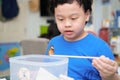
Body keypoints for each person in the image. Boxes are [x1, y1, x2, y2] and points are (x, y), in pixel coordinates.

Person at [45, 0, 120, 80]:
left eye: (73, 18)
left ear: (87, 15)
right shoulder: (53, 43)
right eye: (60, 19)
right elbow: (46, 71)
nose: (67, 24)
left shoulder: (100, 48)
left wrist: (110, 76)